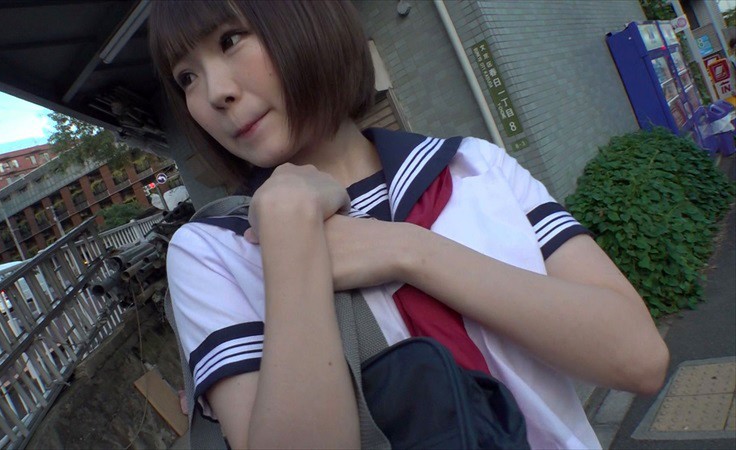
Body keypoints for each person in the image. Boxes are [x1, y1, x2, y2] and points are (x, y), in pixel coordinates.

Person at [150, 1, 669, 448]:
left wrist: (409, 251)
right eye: (186, 78)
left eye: (231, 39)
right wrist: (290, 238)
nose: (215, 93)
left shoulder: (473, 168)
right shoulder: (214, 251)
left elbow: (639, 359)